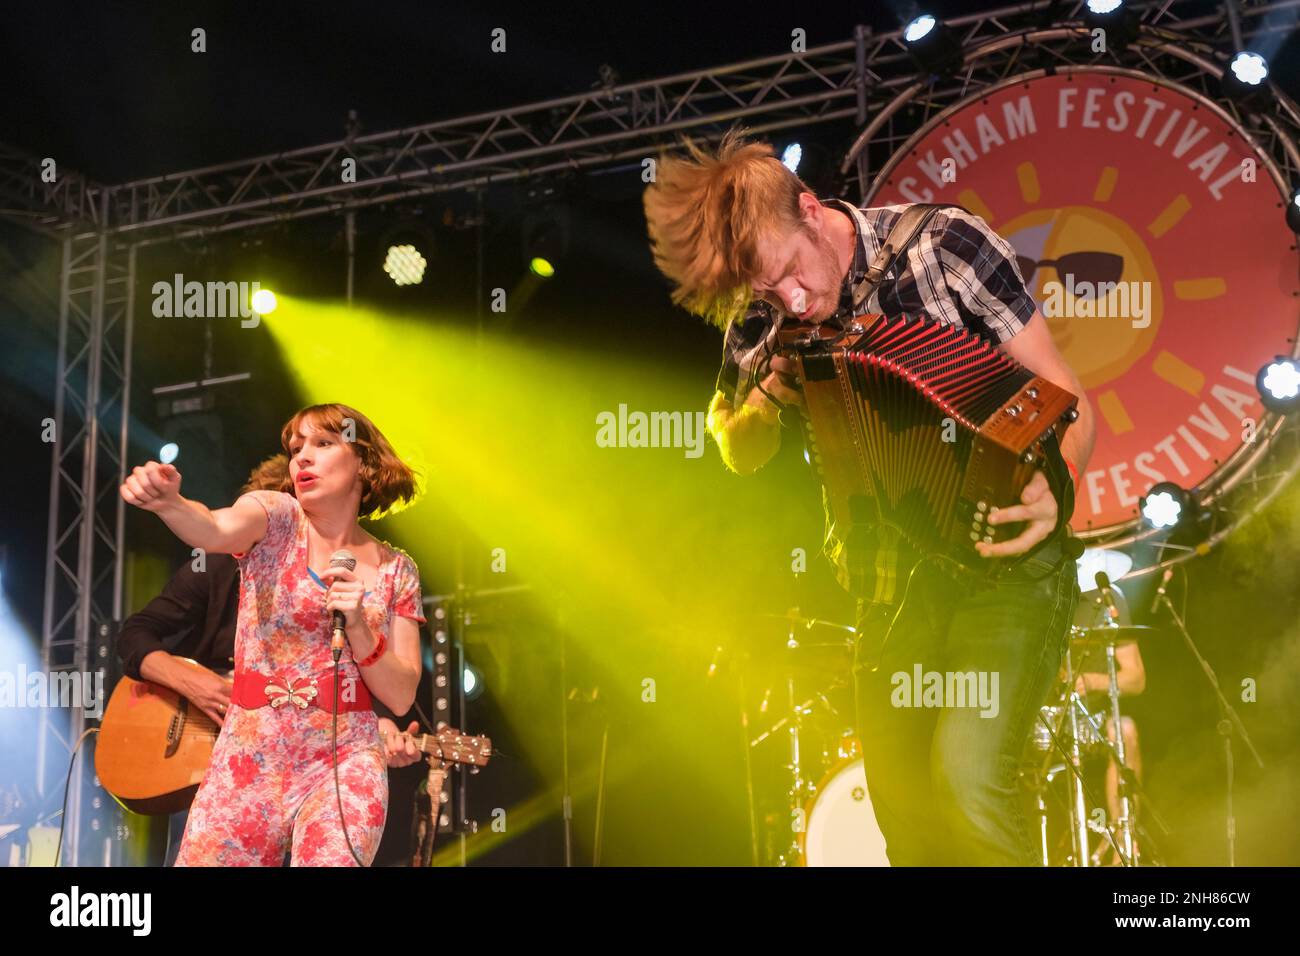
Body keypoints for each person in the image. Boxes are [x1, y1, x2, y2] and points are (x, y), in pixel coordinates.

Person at [643, 127, 1097, 865]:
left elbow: (1068, 397)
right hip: (889, 589)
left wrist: (1060, 491)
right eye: (767, 290)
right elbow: (736, 447)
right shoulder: (761, 321)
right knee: (907, 824)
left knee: (970, 784)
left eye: (793, 271)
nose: (792, 299)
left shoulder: (944, 246)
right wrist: (760, 407)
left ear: (814, 210)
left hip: (1007, 570)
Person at [119, 403, 425, 866]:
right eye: (296, 448)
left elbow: (401, 695)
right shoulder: (276, 515)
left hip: (345, 762)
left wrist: (359, 627)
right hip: (249, 752)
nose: (302, 457)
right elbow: (214, 527)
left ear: (363, 462)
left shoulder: (398, 571)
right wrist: (171, 504)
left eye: (323, 444)